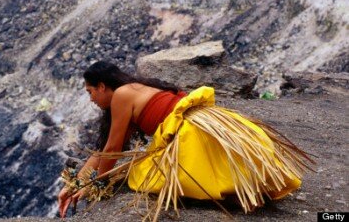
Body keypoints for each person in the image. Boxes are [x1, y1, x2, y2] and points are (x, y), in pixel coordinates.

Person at [57, 61, 311, 218]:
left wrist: (96, 185)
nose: (91, 99)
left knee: (144, 176)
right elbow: (104, 150)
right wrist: (77, 184)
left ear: (101, 86)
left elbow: (112, 149)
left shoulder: (122, 94)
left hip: (191, 133)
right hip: (207, 125)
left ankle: (238, 196)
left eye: (90, 92)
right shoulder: (133, 89)